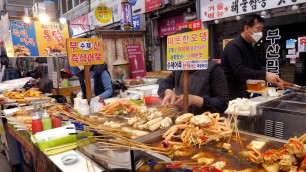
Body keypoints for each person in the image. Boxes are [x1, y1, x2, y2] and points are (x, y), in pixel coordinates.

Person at [158, 28, 229, 115]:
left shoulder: (214, 68)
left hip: (205, 122)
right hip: (182, 120)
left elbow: (223, 103)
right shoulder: (180, 68)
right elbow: (165, 83)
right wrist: (167, 91)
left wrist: (195, 100)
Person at [221, 14, 284, 100]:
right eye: (258, 29)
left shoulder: (250, 47)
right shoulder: (233, 46)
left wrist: (273, 79)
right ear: (246, 28)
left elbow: (256, 67)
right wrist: (265, 75)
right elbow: (239, 70)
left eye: (261, 30)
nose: (260, 33)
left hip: (244, 91)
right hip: (230, 94)